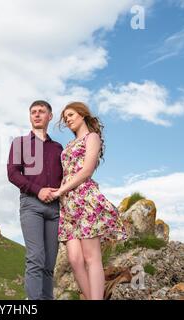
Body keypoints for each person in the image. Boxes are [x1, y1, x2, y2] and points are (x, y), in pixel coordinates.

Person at [51, 101, 127, 300]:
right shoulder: (68, 145)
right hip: (67, 205)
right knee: (75, 260)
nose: (67, 120)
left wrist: (61, 190)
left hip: (84, 198)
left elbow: (86, 170)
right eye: (65, 118)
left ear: (82, 115)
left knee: (91, 257)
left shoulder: (91, 137)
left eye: (71, 115)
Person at [7, 100, 63, 300]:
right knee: (35, 258)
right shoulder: (19, 143)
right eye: (33, 112)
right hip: (31, 205)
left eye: (41, 111)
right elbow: (13, 173)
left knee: (49, 264)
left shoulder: (58, 148)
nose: (37, 115)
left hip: (55, 209)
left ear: (50, 116)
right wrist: (38, 190)